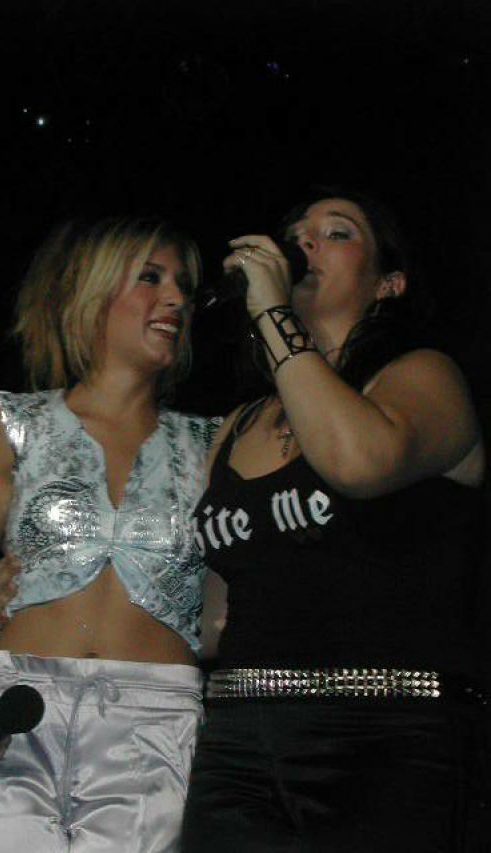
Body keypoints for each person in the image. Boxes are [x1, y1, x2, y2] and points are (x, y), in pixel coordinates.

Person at [178, 188, 489, 851]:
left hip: (386, 734)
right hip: (237, 743)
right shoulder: (238, 424)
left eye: (337, 232)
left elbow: (358, 461)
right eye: (297, 233)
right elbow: (212, 613)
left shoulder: (425, 377)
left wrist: (272, 311)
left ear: (389, 282)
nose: (305, 243)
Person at [0, 216, 223, 852]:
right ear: (93, 293)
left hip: (154, 729)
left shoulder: (214, 444)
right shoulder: (12, 426)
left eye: (183, 286)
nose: (176, 298)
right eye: (151, 278)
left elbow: (233, 604)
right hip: (17, 721)